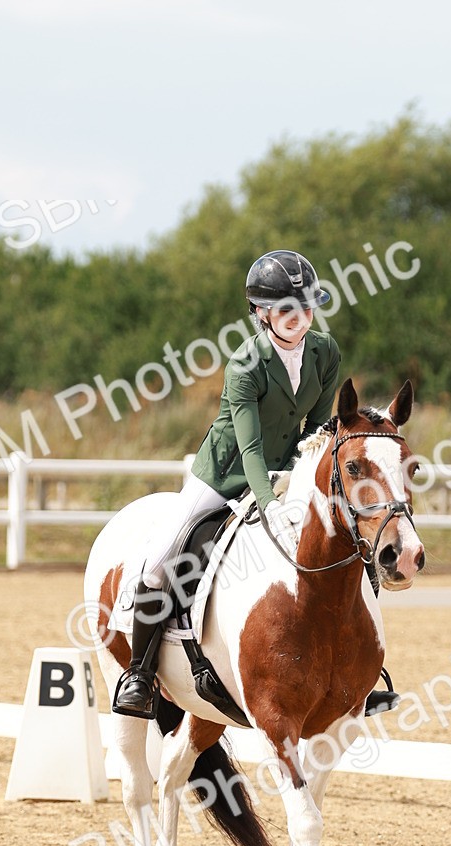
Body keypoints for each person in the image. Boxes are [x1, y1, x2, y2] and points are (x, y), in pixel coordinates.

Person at [112, 248, 341, 719]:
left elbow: (318, 434)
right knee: (159, 564)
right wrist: (268, 503)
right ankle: (137, 673)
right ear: (261, 313)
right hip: (225, 474)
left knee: (340, 539)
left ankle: (353, 673)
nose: (300, 316)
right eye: (286, 309)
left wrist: (301, 483)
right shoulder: (245, 365)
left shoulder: (325, 353)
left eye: (307, 305)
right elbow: (250, 449)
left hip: (285, 472)